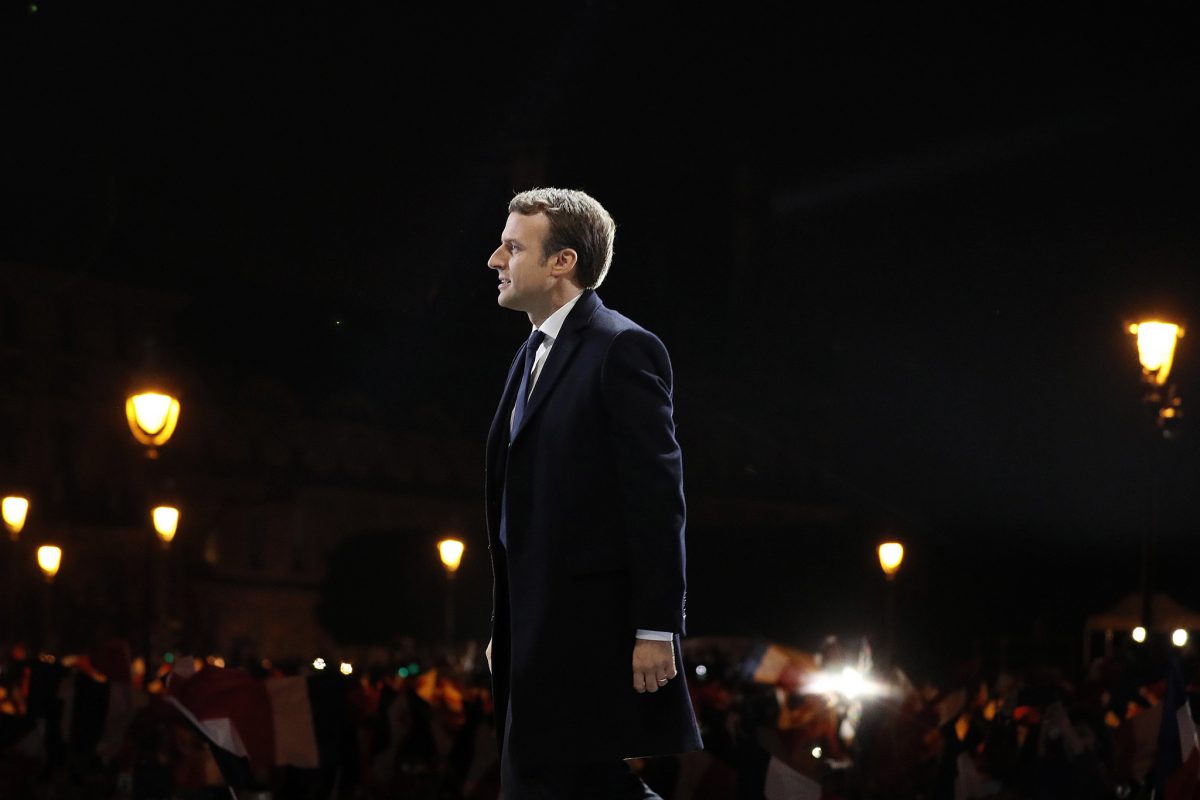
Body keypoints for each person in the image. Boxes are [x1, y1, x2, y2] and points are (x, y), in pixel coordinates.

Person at [483, 187, 702, 798]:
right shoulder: (530, 353)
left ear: (563, 262)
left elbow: (656, 494)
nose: (495, 260)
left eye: (512, 246)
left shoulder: (621, 347)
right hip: (536, 626)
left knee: (567, 783)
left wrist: (656, 626)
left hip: (588, 628)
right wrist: (508, 623)